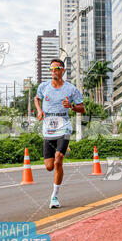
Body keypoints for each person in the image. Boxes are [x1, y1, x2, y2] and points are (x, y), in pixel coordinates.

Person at [34, 58, 85, 208]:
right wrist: (39, 110)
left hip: (65, 126)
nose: (53, 71)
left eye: (56, 68)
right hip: (48, 128)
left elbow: (82, 108)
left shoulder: (71, 89)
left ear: (63, 70)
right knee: (49, 166)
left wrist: (71, 106)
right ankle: (61, 152)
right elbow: (37, 99)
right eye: (51, 69)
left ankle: (54, 197)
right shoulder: (43, 87)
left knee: (58, 160)